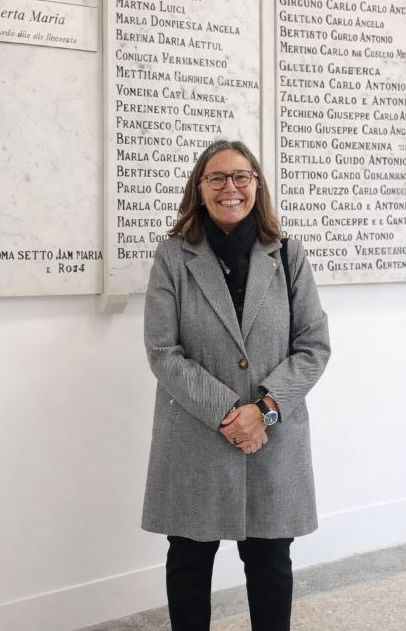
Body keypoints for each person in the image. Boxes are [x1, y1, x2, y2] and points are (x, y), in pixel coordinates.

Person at [142, 139, 331, 630]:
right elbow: (162, 351)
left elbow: (313, 346)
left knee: (270, 566)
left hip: (272, 437)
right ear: (200, 188)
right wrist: (231, 414)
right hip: (197, 437)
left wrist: (262, 410)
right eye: (217, 177)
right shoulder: (173, 256)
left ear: (256, 185)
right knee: (189, 563)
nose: (231, 187)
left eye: (241, 176)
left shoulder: (287, 254)